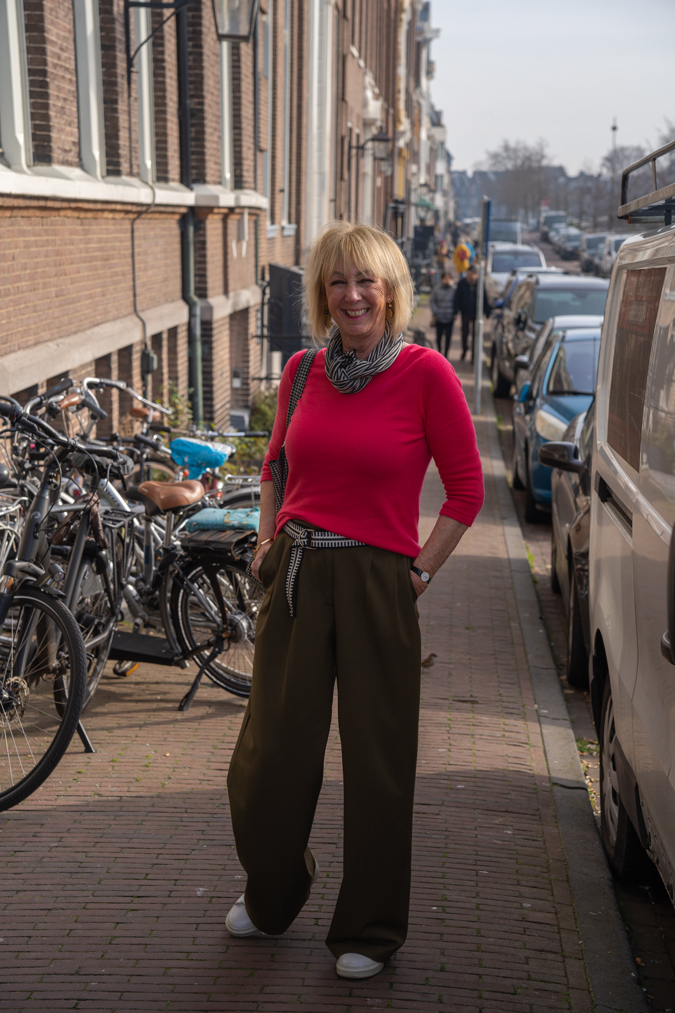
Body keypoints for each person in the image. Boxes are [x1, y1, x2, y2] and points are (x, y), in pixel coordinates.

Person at [225, 220, 484, 981]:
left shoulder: (425, 374)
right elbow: (272, 463)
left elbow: (465, 491)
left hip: (379, 583)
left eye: (365, 280)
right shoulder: (301, 370)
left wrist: (417, 574)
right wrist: (267, 541)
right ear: (321, 295)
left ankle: (368, 929)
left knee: (377, 763)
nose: (351, 294)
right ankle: (272, 895)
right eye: (336, 282)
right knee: (269, 756)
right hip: (299, 576)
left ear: (390, 290)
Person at [453, 263, 491, 362]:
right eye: (467, 274)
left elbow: (484, 298)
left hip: (476, 313)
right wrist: (455, 311)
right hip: (465, 313)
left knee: (475, 335)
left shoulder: (479, 283)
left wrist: (487, 312)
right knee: (464, 334)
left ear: (476, 275)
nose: (469, 277)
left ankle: (474, 356)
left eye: (471, 275)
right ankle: (465, 349)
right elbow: (457, 298)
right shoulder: (462, 283)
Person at [429, 271, 455, 357]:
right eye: (445, 278)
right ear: (442, 279)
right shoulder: (436, 289)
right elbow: (432, 301)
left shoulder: (454, 290)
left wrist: (454, 312)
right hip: (439, 317)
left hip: (449, 318)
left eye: (449, 278)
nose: (447, 280)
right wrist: (435, 311)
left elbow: (457, 302)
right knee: (438, 337)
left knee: (448, 337)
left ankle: (446, 354)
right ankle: (439, 351)